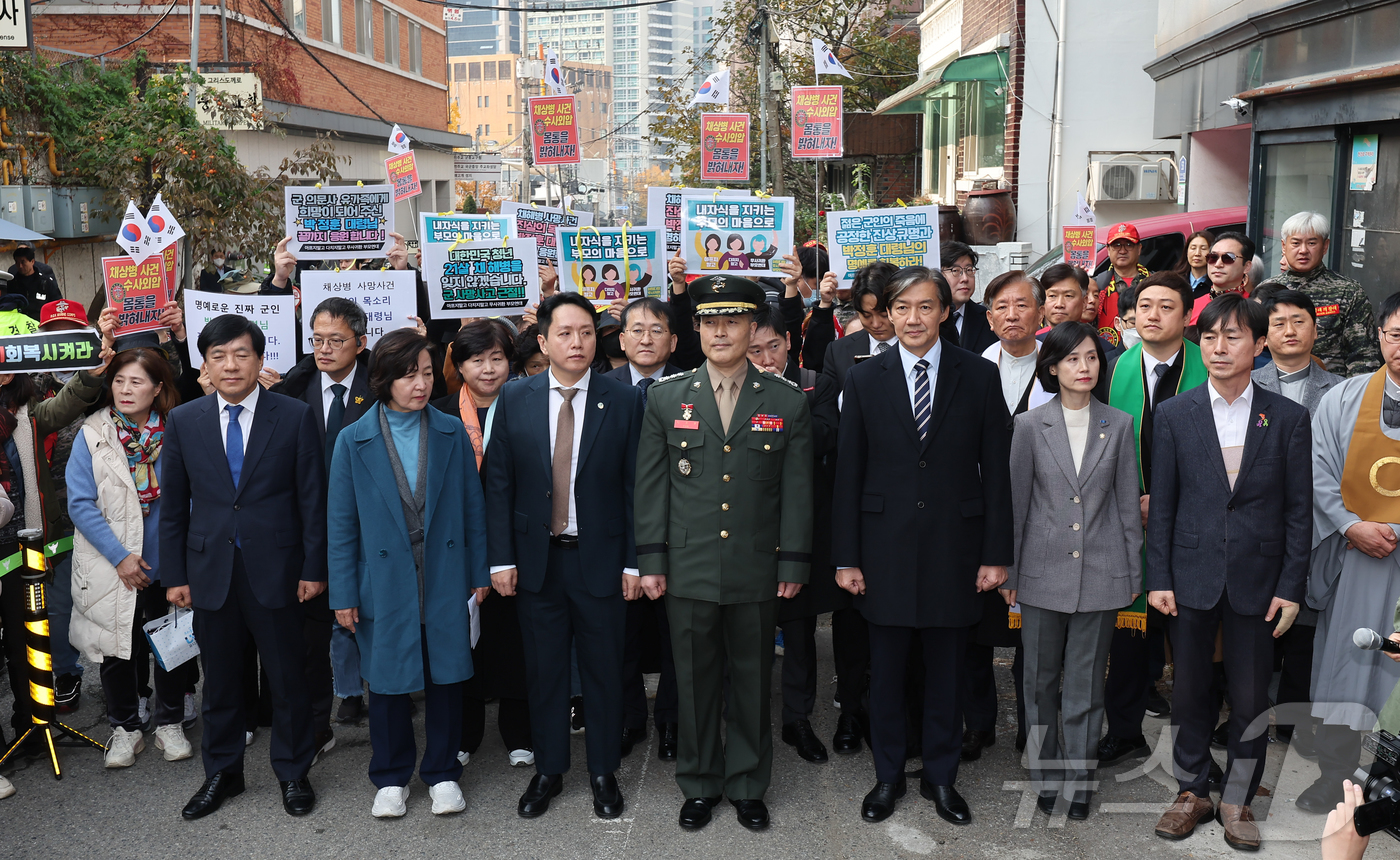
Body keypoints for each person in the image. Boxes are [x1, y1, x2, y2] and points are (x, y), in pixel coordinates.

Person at [833, 266, 1012, 826]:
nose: (913, 318)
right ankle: (886, 776)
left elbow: (997, 474)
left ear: (944, 312)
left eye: (925, 307)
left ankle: (941, 777)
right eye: (902, 307)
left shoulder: (978, 375)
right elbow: (849, 473)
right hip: (882, 552)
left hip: (955, 551)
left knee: (946, 674)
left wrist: (995, 553)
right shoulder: (864, 378)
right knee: (883, 675)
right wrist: (847, 556)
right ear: (887, 313)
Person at [634, 274, 813, 832]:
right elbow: (652, 487)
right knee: (692, 681)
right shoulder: (666, 397)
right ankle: (700, 782)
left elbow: (798, 490)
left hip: (757, 565)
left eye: (732, 321)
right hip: (687, 566)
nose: (720, 332)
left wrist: (793, 561)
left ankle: (747, 784)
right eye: (710, 321)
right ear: (697, 328)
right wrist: (652, 560)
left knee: (754, 679)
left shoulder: (785, 401)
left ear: (753, 327)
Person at [1146, 293, 1312, 850]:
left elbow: (1298, 510)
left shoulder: (1287, 417)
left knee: (1248, 697)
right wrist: (1159, 577)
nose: (1220, 348)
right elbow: (1162, 505)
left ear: (1259, 345)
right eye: (1211, 337)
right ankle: (1191, 791)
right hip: (1189, 574)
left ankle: (1238, 797)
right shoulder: (1173, 414)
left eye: (1234, 336)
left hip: (1259, 579)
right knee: (1189, 690)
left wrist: (1291, 586)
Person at [483, 292, 644, 820]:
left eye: (586, 333)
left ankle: (602, 771)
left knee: (603, 671)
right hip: (537, 563)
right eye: (565, 333)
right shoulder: (516, 397)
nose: (577, 342)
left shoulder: (622, 399)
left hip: (600, 560)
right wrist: (501, 559)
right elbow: (499, 485)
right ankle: (549, 769)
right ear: (545, 340)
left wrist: (634, 561)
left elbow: (635, 487)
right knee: (545, 671)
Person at [160, 314, 327, 821]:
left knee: (287, 680)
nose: (230, 365)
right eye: (218, 356)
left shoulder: (294, 415)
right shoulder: (184, 421)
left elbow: (312, 500)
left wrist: (314, 567)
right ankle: (223, 773)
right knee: (222, 682)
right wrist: (175, 577)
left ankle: (293, 772)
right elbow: (174, 507)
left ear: (260, 359)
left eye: (241, 354)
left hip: (279, 568)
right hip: (211, 572)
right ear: (204, 364)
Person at [326, 329, 489, 818]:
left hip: (444, 569)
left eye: (424, 371)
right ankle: (391, 777)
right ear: (383, 378)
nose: (418, 383)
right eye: (406, 373)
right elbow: (340, 524)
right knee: (389, 678)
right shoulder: (352, 440)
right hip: (382, 578)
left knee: (446, 675)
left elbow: (471, 509)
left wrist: (478, 571)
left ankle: (442, 773)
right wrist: (343, 592)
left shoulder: (449, 430)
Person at [1004, 321, 1141, 820]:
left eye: (1090, 358)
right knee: (1039, 680)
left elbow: (1128, 505)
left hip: (1103, 575)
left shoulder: (1120, 424)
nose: (1084, 367)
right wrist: (1012, 575)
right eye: (1072, 359)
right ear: (1052, 368)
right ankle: (1045, 772)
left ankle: (1079, 778)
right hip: (1041, 574)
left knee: (1085, 683)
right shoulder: (1028, 426)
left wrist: (1131, 574)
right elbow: (1017, 505)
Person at [1098, 271, 1208, 768]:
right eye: (1144, 306)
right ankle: (1124, 731)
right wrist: (1133, 499)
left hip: (1192, 526)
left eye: (1166, 307)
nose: (1154, 315)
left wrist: (1164, 502)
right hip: (1127, 525)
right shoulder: (1116, 367)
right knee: (1126, 637)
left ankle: (1193, 750)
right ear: (1131, 315)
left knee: (1190, 643)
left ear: (1186, 316)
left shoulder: (1209, 367)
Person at [1299, 290, 1400, 815]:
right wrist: (1348, 525)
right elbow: (1317, 471)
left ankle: (1389, 780)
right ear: (1379, 336)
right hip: (1358, 556)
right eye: (1397, 334)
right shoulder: (1344, 397)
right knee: (1346, 664)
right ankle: (1337, 778)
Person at [68, 348, 192, 767]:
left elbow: (194, 496)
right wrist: (121, 557)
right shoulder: (92, 433)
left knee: (172, 644)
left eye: (136, 382)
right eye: (119, 380)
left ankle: (171, 720)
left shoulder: (180, 430)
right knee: (117, 648)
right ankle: (125, 727)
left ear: (157, 388)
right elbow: (81, 504)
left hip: (168, 560)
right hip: (112, 563)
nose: (125, 389)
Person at [748, 306, 860, 760]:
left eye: (774, 346)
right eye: (754, 349)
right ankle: (747, 723)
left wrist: (773, 409)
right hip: (746, 534)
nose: (766, 357)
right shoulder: (729, 389)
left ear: (789, 342)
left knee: (799, 632)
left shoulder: (816, 382)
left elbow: (824, 435)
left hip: (803, 531)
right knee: (747, 634)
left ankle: (798, 720)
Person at [266, 297, 375, 742]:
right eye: (317, 340)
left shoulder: (380, 386)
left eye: (336, 340)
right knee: (323, 613)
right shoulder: (297, 386)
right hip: (310, 518)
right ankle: (343, 694)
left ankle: (385, 684)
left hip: (367, 517)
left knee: (366, 604)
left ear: (360, 343)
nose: (324, 349)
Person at [0, 326, 114, 741]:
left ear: (9, 373)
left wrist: (95, 372)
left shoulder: (27, 417)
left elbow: (67, 404)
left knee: (26, 635)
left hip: (22, 546)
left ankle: (32, 724)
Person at [431, 321, 535, 769]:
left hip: (514, 545)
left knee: (513, 639)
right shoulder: (438, 413)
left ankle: (519, 731)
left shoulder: (528, 406)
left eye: (497, 358)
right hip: (456, 547)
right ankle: (465, 733)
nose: (488, 369)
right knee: (460, 641)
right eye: (477, 359)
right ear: (459, 364)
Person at [1251, 289, 1342, 759]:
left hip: (1321, 524)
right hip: (1258, 523)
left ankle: (1292, 715)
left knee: (1306, 619)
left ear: (1314, 328)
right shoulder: (1247, 381)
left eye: (1299, 321)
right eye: (1279, 322)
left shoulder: (1342, 389)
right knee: (1255, 617)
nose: (1289, 330)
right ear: (1263, 336)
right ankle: (1244, 710)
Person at [963, 270, 1044, 760]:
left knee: (1035, 632)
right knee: (977, 628)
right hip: (983, 519)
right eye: (1001, 307)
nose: (1011, 315)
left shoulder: (1062, 368)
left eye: (1021, 305)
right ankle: (979, 722)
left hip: (1044, 520)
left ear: (1040, 313)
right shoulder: (971, 370)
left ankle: (1032, 726)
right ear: (988, 317)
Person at [605, 297, 681, 759]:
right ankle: (629, 718)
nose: (646, 338)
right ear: (621, 338)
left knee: (676, 638)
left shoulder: (696, 386)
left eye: (656, 330)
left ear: (673, 340)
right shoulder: (601, 387)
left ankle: (672, 721)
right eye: (637, 329)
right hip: (616, 533)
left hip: (677, 533)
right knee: (621, 636)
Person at [1255, 211, 1380, 377]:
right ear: (1284, 246)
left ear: (1325, 246)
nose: (1303, 250)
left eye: (1312, 243)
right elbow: (1255, 346)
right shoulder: (1267, 290)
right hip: (1275, 387)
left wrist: (1351, 396)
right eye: (1296, 243)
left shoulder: (1348, 291)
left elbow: (1363, 355)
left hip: (1333, 389)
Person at [818, 261, 900, 392]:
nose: (876, 324)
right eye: (866, 315)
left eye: (884, 315)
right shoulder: (838, 351)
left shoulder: (924, 346)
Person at [1095, 223, 1151, 348]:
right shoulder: (1097, 285)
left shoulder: (1154, 283)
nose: (1122, 250)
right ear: (1108, 250)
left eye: (1129, 245)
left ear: (1139, 249)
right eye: (1117, 245)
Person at [939, 241, 998, 354]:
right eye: (955, 271)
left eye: (969, 270)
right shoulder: (928, 318)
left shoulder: (988, 318)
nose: (965, 278)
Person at [1190, 231, 1254, 325]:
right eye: (1213, 257)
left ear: (1247, 266)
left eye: (1228, 258)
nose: (1218, 264)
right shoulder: (1191, 306)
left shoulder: (1254, 308)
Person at [7, 245, 61, 320]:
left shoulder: (46, 282)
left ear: (32, 262)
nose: (20, 266)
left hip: (41, 324)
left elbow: (57, 304)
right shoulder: (12, 284)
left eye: (23, 262)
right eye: (17, 262)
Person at [1174, 231, 1215, 298]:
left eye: (1203, 248)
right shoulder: (1175, 280)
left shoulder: (1216, 283)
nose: (1197, 253)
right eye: (1193, 248)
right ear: (1186, 252)